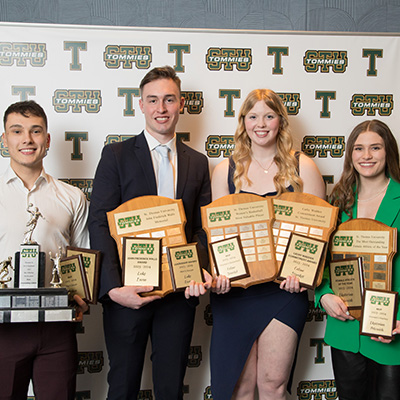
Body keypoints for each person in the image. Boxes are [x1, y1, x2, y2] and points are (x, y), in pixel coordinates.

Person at [88, 66, 211, 400]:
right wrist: (113, 288)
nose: (161, 108)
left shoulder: (198, 163)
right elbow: (99, 221)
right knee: (123, 385)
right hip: (128, 293)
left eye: (169, 99)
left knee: (170, 388)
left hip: (178, 297)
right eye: (153, 100)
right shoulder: (116, 155)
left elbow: (202, 228)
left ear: (181, 104)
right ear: (139, 105)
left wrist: (195, 269)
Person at [210, 88, 325, 399]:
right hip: (236, 293)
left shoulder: (304, 168)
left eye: (269, 115)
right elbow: (218, 236)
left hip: (284, 292)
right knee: (241, 387)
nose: (261, 124)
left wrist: (305, 275)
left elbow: (318, 234)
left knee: (273, 385)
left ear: (280, 121)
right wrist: (221, 274)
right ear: (243, 122)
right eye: (253, 116)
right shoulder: (225, 170)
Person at [0, 100, 89, 400]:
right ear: (5, 140)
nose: (27, 139)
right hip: (3, 328)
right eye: (17, 131)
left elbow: (82, 256)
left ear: (47, 140)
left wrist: (83, 297)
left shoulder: (72, 197)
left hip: (57, 329)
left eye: (36, 131)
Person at [315, 120, 400, 400]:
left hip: (392, 331)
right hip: (345, 329)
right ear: (350, 154)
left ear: (388, 152)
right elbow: (319, 261)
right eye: (359, 148)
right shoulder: (338, 201)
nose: (366, 155)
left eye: (375, 148)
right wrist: (324, 295)